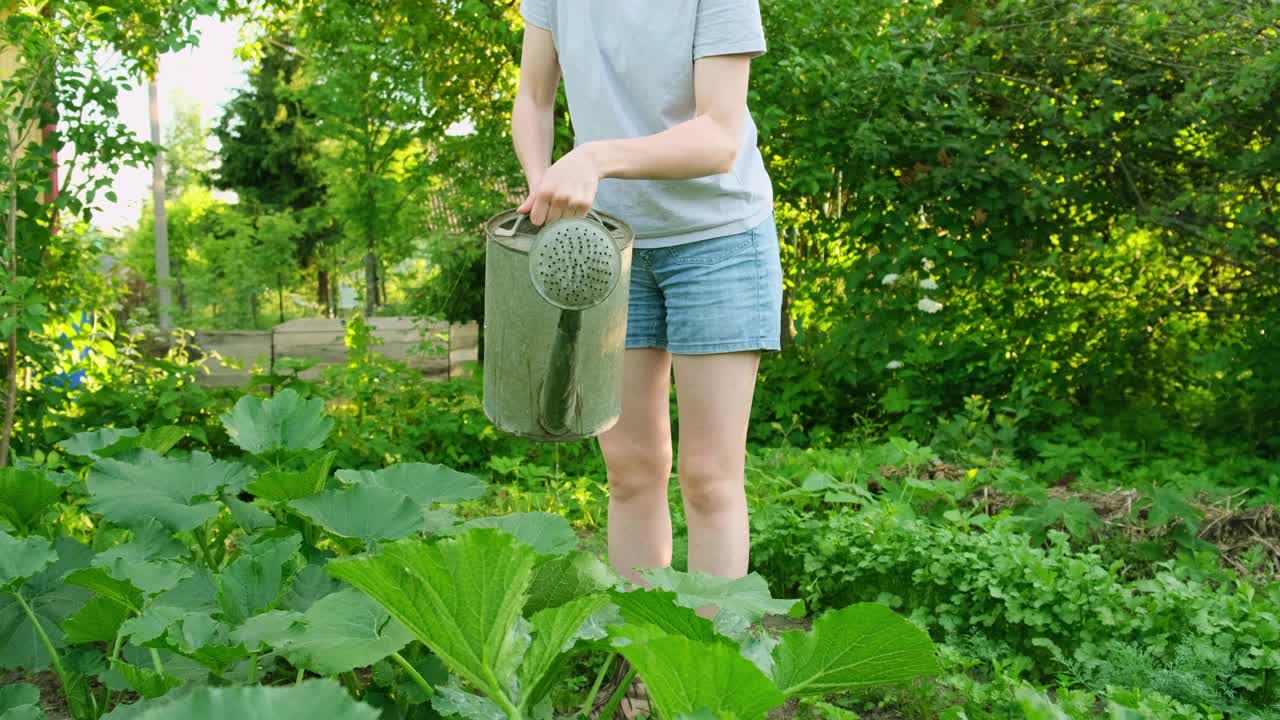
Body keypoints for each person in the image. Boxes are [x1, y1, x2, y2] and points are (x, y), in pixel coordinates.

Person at [511, 1, 780, 716]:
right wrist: (544, 181)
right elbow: (535, 96)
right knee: (629, 472)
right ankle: (647, 670)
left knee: (709, 478)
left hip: (718, 240)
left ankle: (707, 682)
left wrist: (594, 155)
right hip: (608, 244)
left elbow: (719, 138)